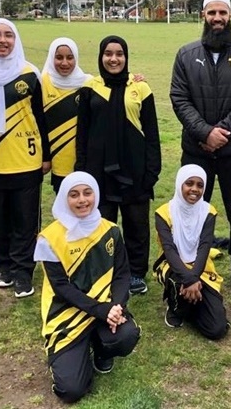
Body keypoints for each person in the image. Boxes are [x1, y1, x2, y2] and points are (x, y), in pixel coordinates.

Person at [170, 0, 231, 293]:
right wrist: (203, 133)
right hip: (197, 149)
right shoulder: (185, 54)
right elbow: (179, 98)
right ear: (203, 16)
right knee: (191, 207)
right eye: (212, 13)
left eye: (223, 12)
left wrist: (220, 133)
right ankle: (190, 261)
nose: (217, 18)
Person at [34, 172, 140, 404]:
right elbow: (62, 288)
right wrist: (102, 310)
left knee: (127, 335)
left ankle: (101, 351)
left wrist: (117, 307)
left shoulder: (110, 230)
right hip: (67, 315)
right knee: (71, 390)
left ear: (96, 195)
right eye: (74, 195)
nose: (82, 200)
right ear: (64, 199)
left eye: (87, 193)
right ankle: (74, 355)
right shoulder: (50, 238)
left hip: (104, 309)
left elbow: (122, 274)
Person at [0, 18, 50, 298]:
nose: (2, 40)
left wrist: (46, 156)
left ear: (16, 41)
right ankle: (3, 267)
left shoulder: (30, 74)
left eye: (8, 35)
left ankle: (23, 271)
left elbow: (42, 118)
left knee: (25, 222)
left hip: (26, 162)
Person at [75, 35, 161, 296]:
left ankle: (136, 273)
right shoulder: (91, 87)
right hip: (99, 172)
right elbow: (82, 134)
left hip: (134, 171)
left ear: (126, 57)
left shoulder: (141, 88)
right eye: (108, 54)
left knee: (136, 226)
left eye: (119, 54)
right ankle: (105, 271)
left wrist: (151, 172)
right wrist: (83, 172)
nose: (113, 59)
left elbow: (153, 134)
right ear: (101, 57)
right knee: (102, 225)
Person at [153, 165, 229, 339]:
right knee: (179, 284)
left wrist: (193, 277)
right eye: (189, 183)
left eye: (200, 185)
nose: (194, 189)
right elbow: (169, 250)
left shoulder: (208, 212)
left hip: (200, 267)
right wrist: (189, 279)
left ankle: (191, 308)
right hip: (171, 264)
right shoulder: (163, 213)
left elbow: (204, 247)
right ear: (180, 184)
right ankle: (176, 309)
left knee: (217, 329)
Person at [41, 37, 91, 193]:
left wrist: (135, 79)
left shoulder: (88, 83)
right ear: (51, 58)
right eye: (59, 57)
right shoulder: (42, 82)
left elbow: (115, 85)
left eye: (70, 58)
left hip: (86, 161)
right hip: (59, 162)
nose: (64, 63)